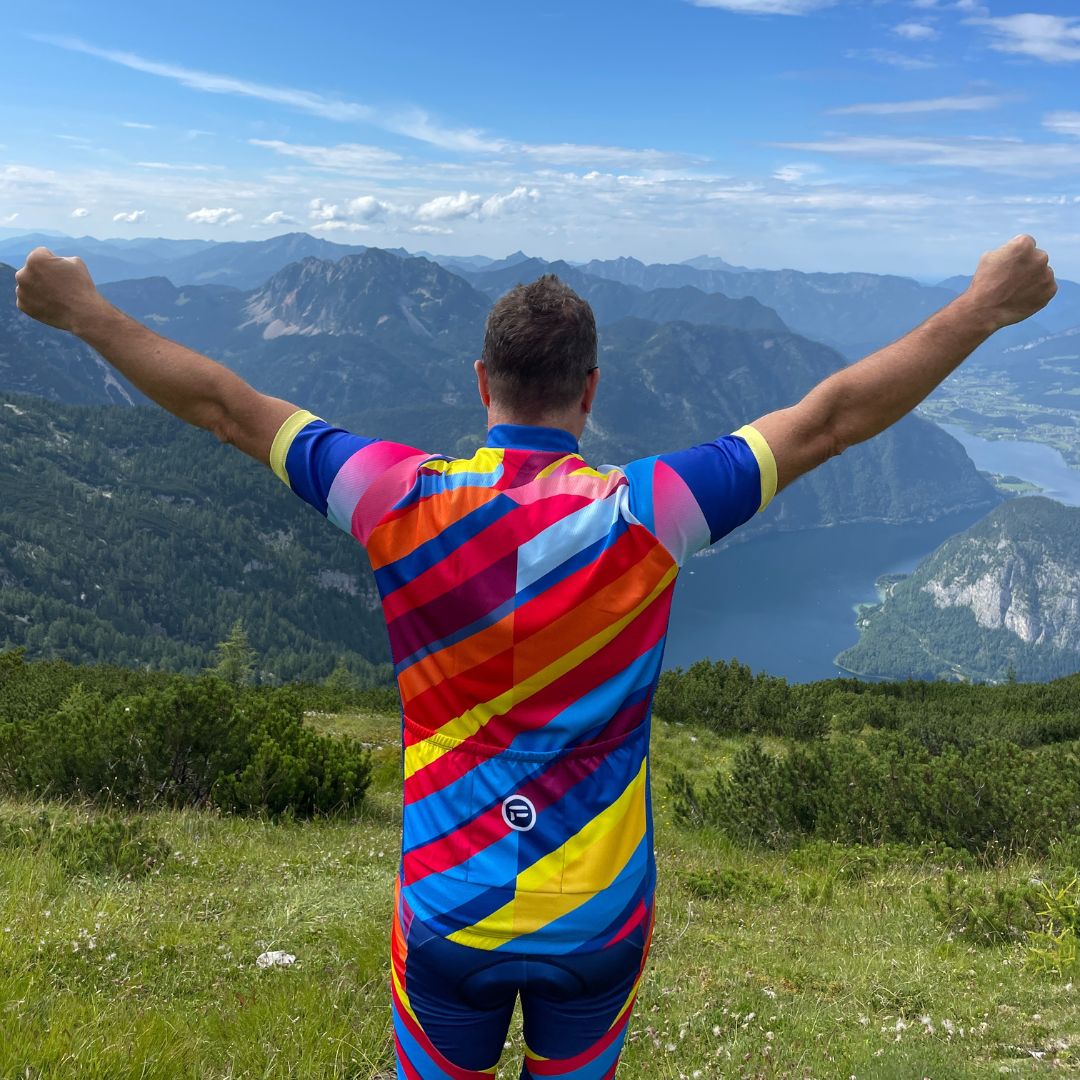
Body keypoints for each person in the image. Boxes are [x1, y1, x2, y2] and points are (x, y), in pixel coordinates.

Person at [15, 235, 1056, 1078]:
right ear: (592, 388)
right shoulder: (651, 511)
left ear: (480, 380)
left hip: (447, 907)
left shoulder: (394, 495)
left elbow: (225, 408)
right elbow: (833, 419)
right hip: (597, 915)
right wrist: (980, 309)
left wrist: (85, 313)